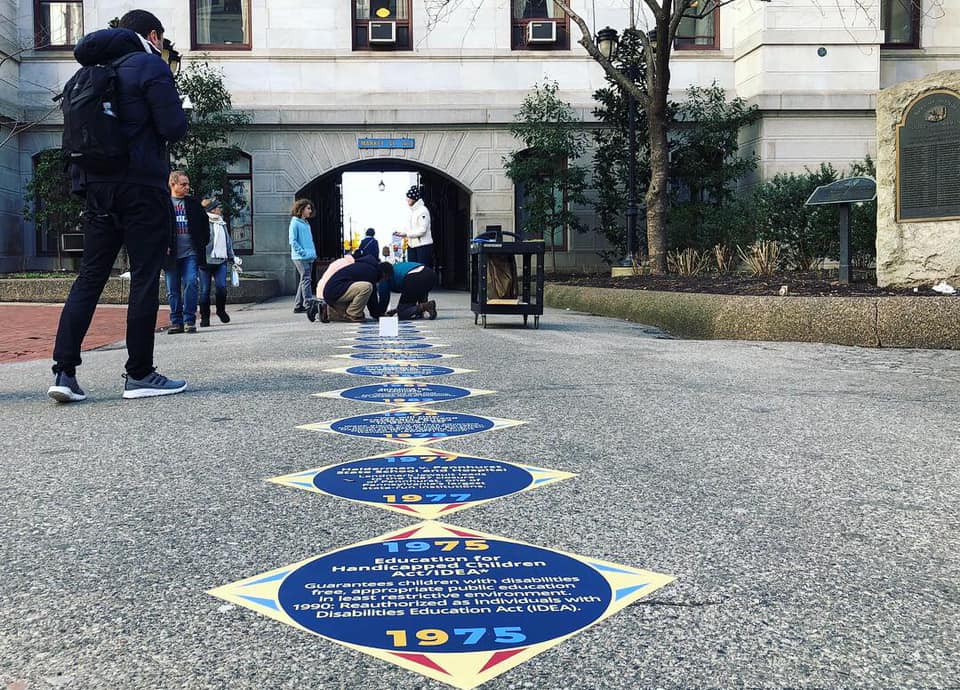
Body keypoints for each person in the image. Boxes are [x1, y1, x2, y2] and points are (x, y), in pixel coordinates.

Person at [48, 9, 189, 403]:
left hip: (95, 188)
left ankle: (64, 372)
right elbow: (173, 127)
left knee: (90, 276)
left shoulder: (87, 72)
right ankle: (139, 373)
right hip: (141, 187)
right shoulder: (149, 65)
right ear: (153, 35)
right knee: (144, 276)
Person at [165, 170, 208, 334]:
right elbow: (156, 227)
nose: (187, 187)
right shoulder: (164, 204)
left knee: (191, 283)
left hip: (191, 253)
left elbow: (205, 225)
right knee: (172, 289)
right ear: (173, 184)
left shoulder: (193, 204)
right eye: (183, 184)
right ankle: (176, 322)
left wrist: (202, 242)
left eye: (188, 184)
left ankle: (189, 319)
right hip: (170, 255)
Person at [198, 198, 234, 327]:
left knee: (222, 288)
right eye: (219, 208)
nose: (221, 210)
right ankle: (205, 317)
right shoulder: (203, 222)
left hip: (221, 261)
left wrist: (232, 256)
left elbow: (227, 241)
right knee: (204, 291)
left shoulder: (221, 223)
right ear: (212, 210)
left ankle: (220, 310)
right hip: (205, 261)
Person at [320, 254, 381, 323]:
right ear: (384, 274)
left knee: (345, 313)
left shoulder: (363, 266)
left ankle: (327, 310)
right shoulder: (371, 271)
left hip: (333, 291)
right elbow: (372, 298)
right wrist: (377, 315)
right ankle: (353, 314)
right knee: (367, 287)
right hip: (336, 291)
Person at [288, 198, 319, 321]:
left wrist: (312, 253)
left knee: (304, 279)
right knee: (306, 278)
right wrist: (302, 252)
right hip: (300, 257)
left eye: (310, 208)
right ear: (301, 209)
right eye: (308, 208)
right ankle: (308, 304)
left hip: (309, 256)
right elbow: (293, 241)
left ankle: (298, 305)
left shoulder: (306, 223)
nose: (310, 211)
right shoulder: (294, 222)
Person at [396, 185, 432, 267]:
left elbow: (422, 230)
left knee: (422, 270)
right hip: (412, 245)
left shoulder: (422, 211)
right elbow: (410, 229)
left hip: (422, 246)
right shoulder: (412, 212)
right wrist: (402, 233)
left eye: (408, 198)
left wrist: (407, 234)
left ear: (414, 198)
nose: (407, 200)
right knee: (412, 269)